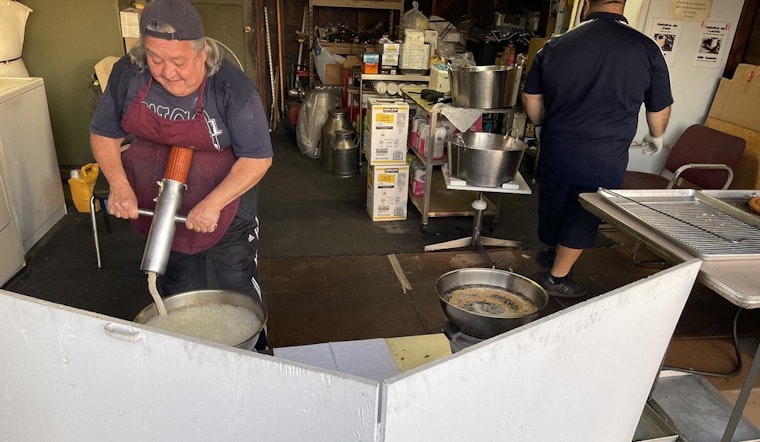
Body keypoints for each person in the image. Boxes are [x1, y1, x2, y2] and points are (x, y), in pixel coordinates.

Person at [90, 0, 273, 348]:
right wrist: (119, 186)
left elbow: (258, 158)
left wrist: (214, 203)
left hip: (225, 198)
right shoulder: (128, 73)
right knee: (175, 281)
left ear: (202, 51)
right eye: (156, 60)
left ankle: (256, 353)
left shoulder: (232, 87)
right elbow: (104, 132)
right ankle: (183, 357)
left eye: (178, 61)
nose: (168, 72)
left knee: (235, 278)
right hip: (157, 196)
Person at [520, 0, 672, 298]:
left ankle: (554, 253)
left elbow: (530, 97)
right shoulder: (646, 48)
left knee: (554, 202)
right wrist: (657, 136)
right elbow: (659, 106)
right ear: (623, 4)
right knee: (584, 213)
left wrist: (540, 125)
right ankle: (557, 279)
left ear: (587, 4)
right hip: (604, 156)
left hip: (558, 147)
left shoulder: (556, 45)